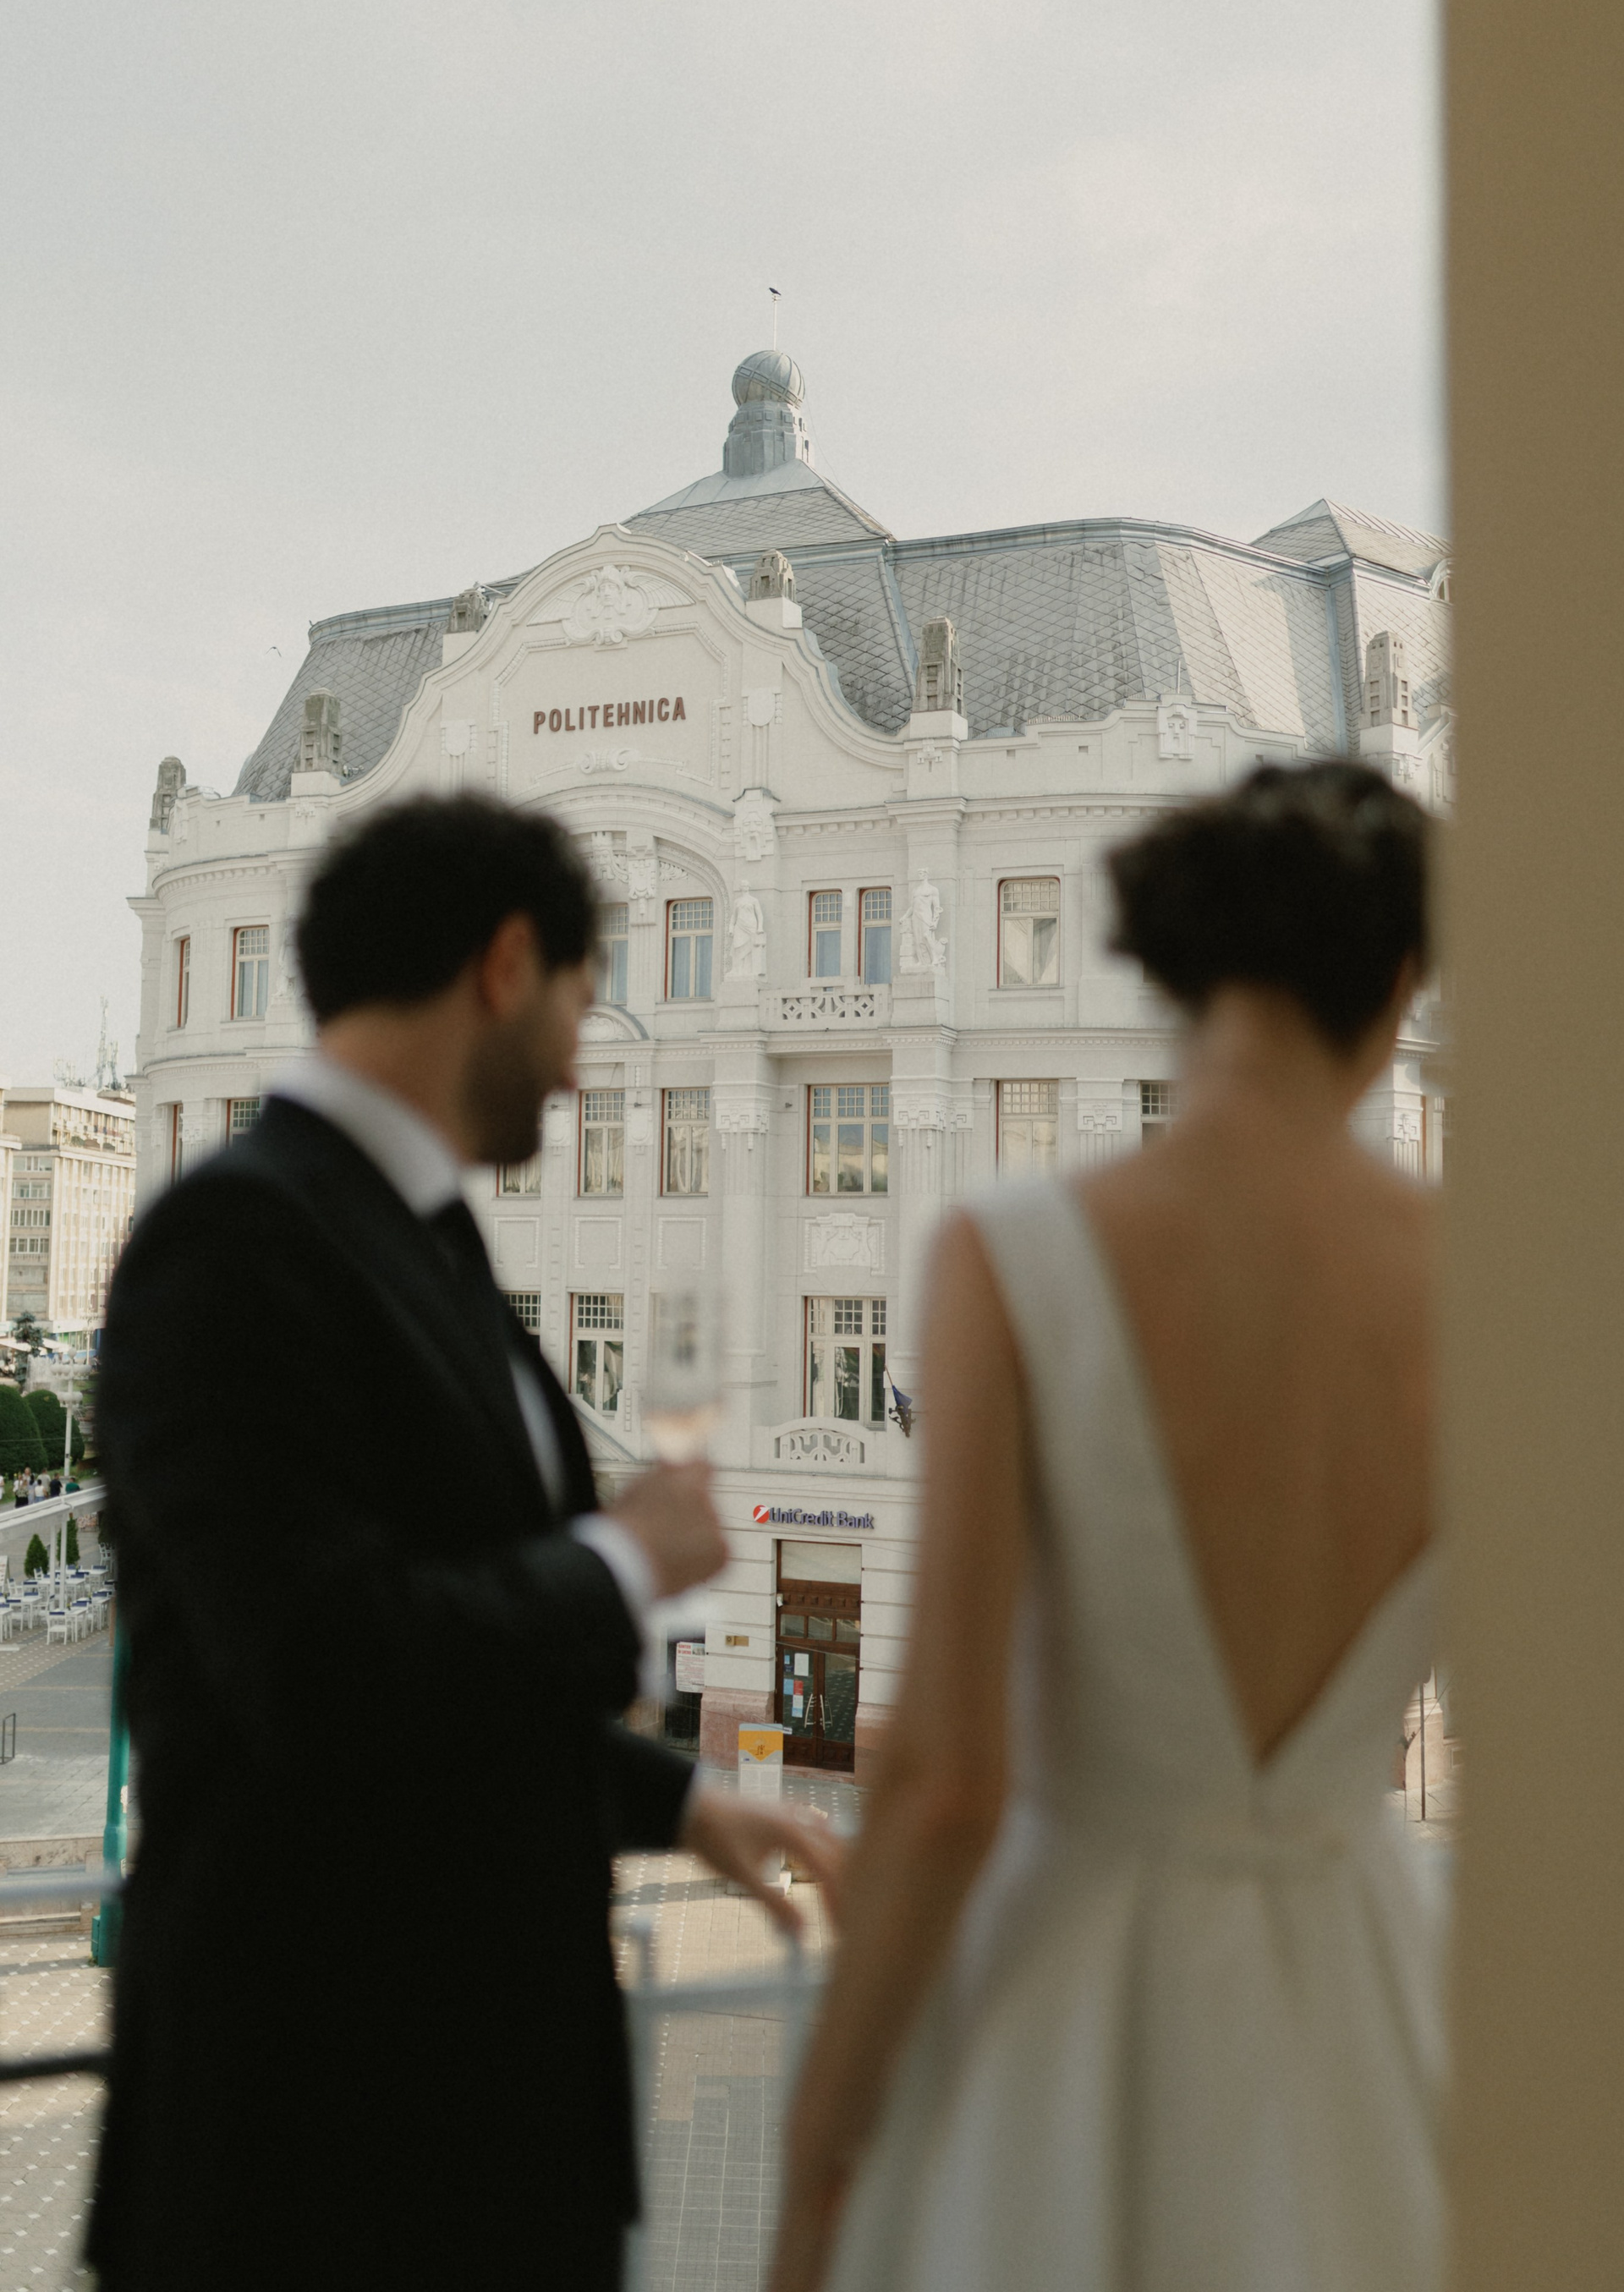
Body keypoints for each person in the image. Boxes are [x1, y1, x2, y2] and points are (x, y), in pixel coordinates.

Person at [91, 796, 840, 2292]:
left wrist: (681, 1801)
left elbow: (445, 1694)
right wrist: (627, 1562)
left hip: (484, 2147)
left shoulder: (417, 1233)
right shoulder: (231, 1241)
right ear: (503, 965)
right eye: (579, 999)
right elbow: (325, 1668)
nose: (578, 1063)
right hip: (313, 2163)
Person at [774, 763, 1442, 2292]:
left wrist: (821, 2151)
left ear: (1171, 973)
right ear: (1402, 979)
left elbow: (947, 1787)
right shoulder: (1490, 1282)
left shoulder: (1014, 1254)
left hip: (1072, 2019)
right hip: (1368, 2013)